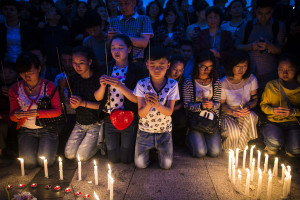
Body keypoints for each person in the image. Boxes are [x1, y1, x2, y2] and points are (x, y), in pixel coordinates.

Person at [94, 34, 144, 163]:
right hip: (109, 117)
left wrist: (120, 86)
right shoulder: (106, 68)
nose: (116, 51)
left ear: (129, 49)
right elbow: (98, 97)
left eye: (120, 47)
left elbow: (136, 99)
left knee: (126, 158)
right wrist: (102, 86)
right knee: (113, 158)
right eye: (113, 48)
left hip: (129, 116)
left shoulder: (136, 70)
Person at [9, 52, 61, 169]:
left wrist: (39, 113)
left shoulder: (49, 86)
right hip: (26, 130)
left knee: (45, 163)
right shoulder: (15, 89)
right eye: (23, 74)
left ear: (39, 69)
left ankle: (49, 148)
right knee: (28, 164)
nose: (27, 77)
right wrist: (17, 115)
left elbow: (58, 111)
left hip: (47, 129)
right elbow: (11, 115)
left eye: (31, 73)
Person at [133, 46, 180, 169]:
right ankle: (152, 152)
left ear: (168, 65)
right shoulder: (142, 84)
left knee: (166, 165)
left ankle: (158, 151)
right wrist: (149, 104)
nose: (157, 69)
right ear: (147, 65)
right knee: (140, 164)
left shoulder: (172, 84)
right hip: (144, 131)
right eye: (152, 65)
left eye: (161, 65)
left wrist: (158, 105)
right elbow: (142, 114)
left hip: (164, 132)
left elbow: (169, 112)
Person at [236, 0, 285, 91]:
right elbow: (237, 46)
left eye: (267, 13)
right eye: (259, 13)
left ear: (272, 11)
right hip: (249, 73)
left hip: (271, 73)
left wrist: (269, 46)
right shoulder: (247, 26)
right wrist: (251, 46)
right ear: (255, 10)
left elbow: (281, 50)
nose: (263, 17)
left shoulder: (278, 26)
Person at [64, 46, 102, 161]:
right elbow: (72, 103)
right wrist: (73, 103)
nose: (77, 66)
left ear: (90, 62)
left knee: (81, 156)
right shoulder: (73, 79)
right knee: (69, 154)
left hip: (95, 123)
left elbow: (102, 106)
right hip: (79, 123)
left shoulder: (98, 79)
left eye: (81, 63)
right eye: (74, 63)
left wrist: (82, 103)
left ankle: (100, 144)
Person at [182, 51, 222, 157]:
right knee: (200, 153)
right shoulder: (189, 82)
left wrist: (211, 105)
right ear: (197, 65)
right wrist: (201, 106)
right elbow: (186, 105)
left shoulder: (216, 82)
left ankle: (204, 139)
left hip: (210, 121)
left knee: (215, 152)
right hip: (196, 121)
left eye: (209, 67)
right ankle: (191, 138)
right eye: (203, 67)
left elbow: (218, 103)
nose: (206, 70)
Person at [261, 53, 300, 157]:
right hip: (273, 122)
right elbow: (263, 106)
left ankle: (289, 145)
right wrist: (273, 111)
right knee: (274, 143)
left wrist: (293, 112)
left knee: (295, 150)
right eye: (281, 69)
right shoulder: (271, 85)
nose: (285, 72)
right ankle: (273, 144)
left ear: (296, 69)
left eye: (289, 69)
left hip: (293, 123)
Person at [221, 50, 258, 150]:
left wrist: (248, 106)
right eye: (238, 66)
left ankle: (240, 148)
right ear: (231, 66)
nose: (241, 69)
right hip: (228, 114)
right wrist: (232, 112)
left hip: (243, 111)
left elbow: (255, 99)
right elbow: (222, 105)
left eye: (245, 66)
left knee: (251, 116)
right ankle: (230, 148)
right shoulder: (224, 82)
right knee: (234, 132)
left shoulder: (251, 79)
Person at [194, 6, 234, 78]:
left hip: (223, 69)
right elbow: (196, 52)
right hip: (204, 69)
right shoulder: (201, 34)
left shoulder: (226, 34)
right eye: (210, 17)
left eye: (215, 17)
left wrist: (219, 54)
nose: (213, 20)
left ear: (220, 18)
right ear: (206, 19)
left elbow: (231, 52)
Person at [167, 55, 186, 146]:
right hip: (161, 107)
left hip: (175, 108)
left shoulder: (182, 81)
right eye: (175, 69)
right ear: (169, 66)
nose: (177, 72)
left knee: (181, 119)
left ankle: (176, 144)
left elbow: (184, 100)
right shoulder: (162, 77)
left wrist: (174, 108)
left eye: (180, 70)